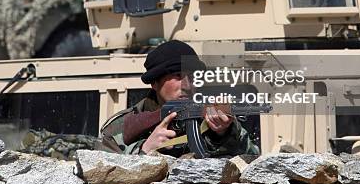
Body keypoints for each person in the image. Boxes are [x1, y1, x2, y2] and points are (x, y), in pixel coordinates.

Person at [99, 40, 259, 157]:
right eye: (178, 76)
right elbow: (102, 174)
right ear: (154, 82)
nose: (187, 85)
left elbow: (252, 157)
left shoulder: (210, 113)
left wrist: (224, 133)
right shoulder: (118, 128)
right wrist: (145, 149)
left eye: (192, 76)